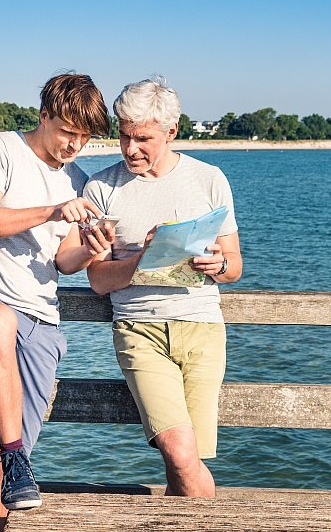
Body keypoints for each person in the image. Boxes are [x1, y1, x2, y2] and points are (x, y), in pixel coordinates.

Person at [0, 73, 112, 525]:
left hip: (40, 321)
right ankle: (15, 452)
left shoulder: (78, 180)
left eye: (85, 137)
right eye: (68, 132)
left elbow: (64, 260)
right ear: (44, 115)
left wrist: (92, 248)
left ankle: (12, 463)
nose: (75, 145)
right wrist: (53, 210)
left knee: (8, 466)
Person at [84, 76, 242, 497]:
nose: (130, 148)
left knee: (185, 460)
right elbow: (97, 279)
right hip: (139, 330)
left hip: (203, 329)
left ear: (171, 132)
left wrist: (219, 264)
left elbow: (234, 267)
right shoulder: (101, 187)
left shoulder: (209, 179)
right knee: (180, 453)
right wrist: (143, 259)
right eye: (123, 136)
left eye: (143, 139)